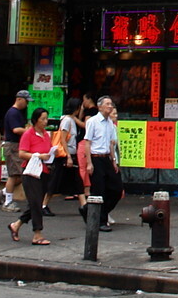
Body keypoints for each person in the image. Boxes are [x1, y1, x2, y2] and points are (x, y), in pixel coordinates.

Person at [8, 109, 54, 246]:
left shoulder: (46, 135)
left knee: (37, 202)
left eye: (46, 119)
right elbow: (22, 153)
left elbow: (48, 150)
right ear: (36, 120)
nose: (45, 122)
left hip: (44, 171)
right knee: (35, 202)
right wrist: (38, 155)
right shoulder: (28, 134)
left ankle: (16, 225)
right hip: (31, 171)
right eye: (43, 119)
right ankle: (37, 233)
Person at [81, 95, 122, 230]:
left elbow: (111, 144)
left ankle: (89, 210)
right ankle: (101, 221)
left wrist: (114, 160)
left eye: (111, 104)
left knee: (116, 189)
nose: (110, 106)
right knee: (99, 190)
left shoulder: (110, 123)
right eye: (107, 104)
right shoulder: (93, 121)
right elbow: (88, 142)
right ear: (100, 106)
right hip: (95, 157)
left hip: (107, 158)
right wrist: (89, 163)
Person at [47, 95, 86, 215]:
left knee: (77, 181)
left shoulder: (71, 119)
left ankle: (84, 205)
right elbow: (63, 139)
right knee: (55, 181)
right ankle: (43, 204)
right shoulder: (67, 120)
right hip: (65, 156)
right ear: (76, 108)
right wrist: (68, 156)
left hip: (70, 155)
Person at [0, 91, 30, 210]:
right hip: (12, 145)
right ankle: (7, 201)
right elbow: (16, 130)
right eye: (26, 101)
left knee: (19, 174)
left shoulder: (16, 113)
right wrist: (29, 131)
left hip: (16, 145)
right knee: (14, 174)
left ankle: (4, 193)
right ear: (19, 99)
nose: (27, 104)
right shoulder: (13, 113)